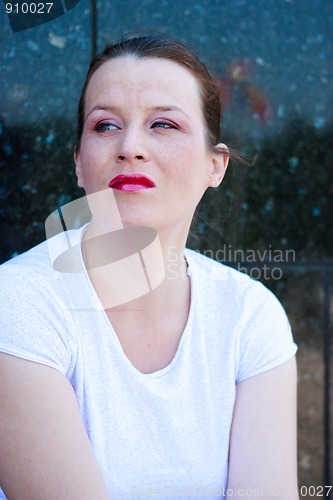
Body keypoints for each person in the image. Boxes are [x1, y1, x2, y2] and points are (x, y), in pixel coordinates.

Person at [0, 35, 299, 499]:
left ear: (215, 166)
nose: (130, 146)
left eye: (163, 124)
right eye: (104, 126)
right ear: (80, 164)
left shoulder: (250, 317)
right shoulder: (18, 304)